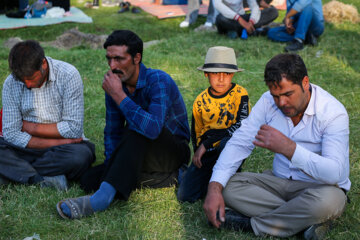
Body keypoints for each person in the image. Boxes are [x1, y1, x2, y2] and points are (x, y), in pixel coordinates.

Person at [203, 53, 350, 239]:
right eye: (276, 96)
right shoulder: (267, 102)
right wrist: (214, 188)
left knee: (329, 201)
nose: (281, 103)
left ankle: (251, 224)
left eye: (288, 94)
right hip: (277, 182)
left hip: (318, 188)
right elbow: (240, 142)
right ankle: (305, 221)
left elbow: (335, 173)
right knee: (227, 185)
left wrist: (289, 149)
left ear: (305, 83)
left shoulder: (333, 113)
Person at [56, 30, 191, 219]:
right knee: (90, 179)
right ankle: (170, 178)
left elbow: (152, 129)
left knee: (137, 130)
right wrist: (112, 167)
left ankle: (100, 200)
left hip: (172, 149)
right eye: (109, 59)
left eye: (119, 59)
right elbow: (113, 131)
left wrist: (118, 95)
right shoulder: (115, 84)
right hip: (139, 151)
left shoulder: (158, 80)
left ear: (137, 58)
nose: (112, 66)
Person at [0, 40, 95, 190]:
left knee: (81, 156)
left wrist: (31, 127)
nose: (28, 85)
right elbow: (11, 133)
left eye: (31, 78)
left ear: (43, 64)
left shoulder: (68, 75)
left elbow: (73, 129)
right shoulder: (11, 83)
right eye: (23, 81)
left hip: (63, 151)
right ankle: (40, 179)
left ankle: (15, 173)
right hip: (29, 146)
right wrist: (59, 142)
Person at [177, 46, 250, 203]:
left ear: (233, 74)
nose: (222, 79)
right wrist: (198, 152)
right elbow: (196, 133)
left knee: (227, 144)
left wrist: (209, 141)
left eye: (227, 74)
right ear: (206, 74)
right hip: (207, 152)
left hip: (230, 148)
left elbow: (242, 125)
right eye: (216, 73)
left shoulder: (240, 94)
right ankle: (204, 176)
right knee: (185, 195)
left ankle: (230, 178)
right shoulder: (200, 100)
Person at [214, 0, 278, 38]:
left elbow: (254, 7)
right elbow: (218, 5)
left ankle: (238, 31)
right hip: (228, 19)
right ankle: (252, 31)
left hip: (242, 17)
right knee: (220, 19)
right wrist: (239, 19)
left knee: (273, 12)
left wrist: (251, 22)